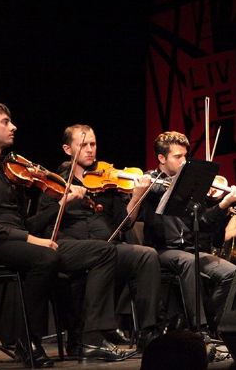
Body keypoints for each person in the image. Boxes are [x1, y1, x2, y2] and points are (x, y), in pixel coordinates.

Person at [39, 124, 161, 352]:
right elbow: (41, 223)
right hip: (71, 249)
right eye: (83, 145)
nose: (89, 149)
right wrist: (64, 201)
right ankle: (91, 335)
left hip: (108, 249)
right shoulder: (55, 183)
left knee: (147, 255)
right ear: (67, 149)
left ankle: (148, 332)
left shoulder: (108, 184)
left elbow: (125, 224)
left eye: (92, 144)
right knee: (102, 253)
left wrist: (136, 197)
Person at [0, 101, 67, 368]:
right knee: (45, 258)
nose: (13, 126)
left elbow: (23, 222)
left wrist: (57, 206)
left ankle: (81, 338)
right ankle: (27, 340)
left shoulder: (5, 170)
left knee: (61, 259)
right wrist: (29, 239)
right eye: (5, 122)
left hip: (10, 242)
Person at [141, 131, 236, 334]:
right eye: (177, 156)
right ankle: (200, 329)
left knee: (232, 273)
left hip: (190, 250)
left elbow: (203, 222)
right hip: (163, 250)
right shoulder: (150, 181)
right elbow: (156, 191)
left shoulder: (190, 186)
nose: (183, 161)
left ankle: (213, 321)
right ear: (162, 158)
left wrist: (224, 204)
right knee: (189, 261)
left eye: (185, 156)